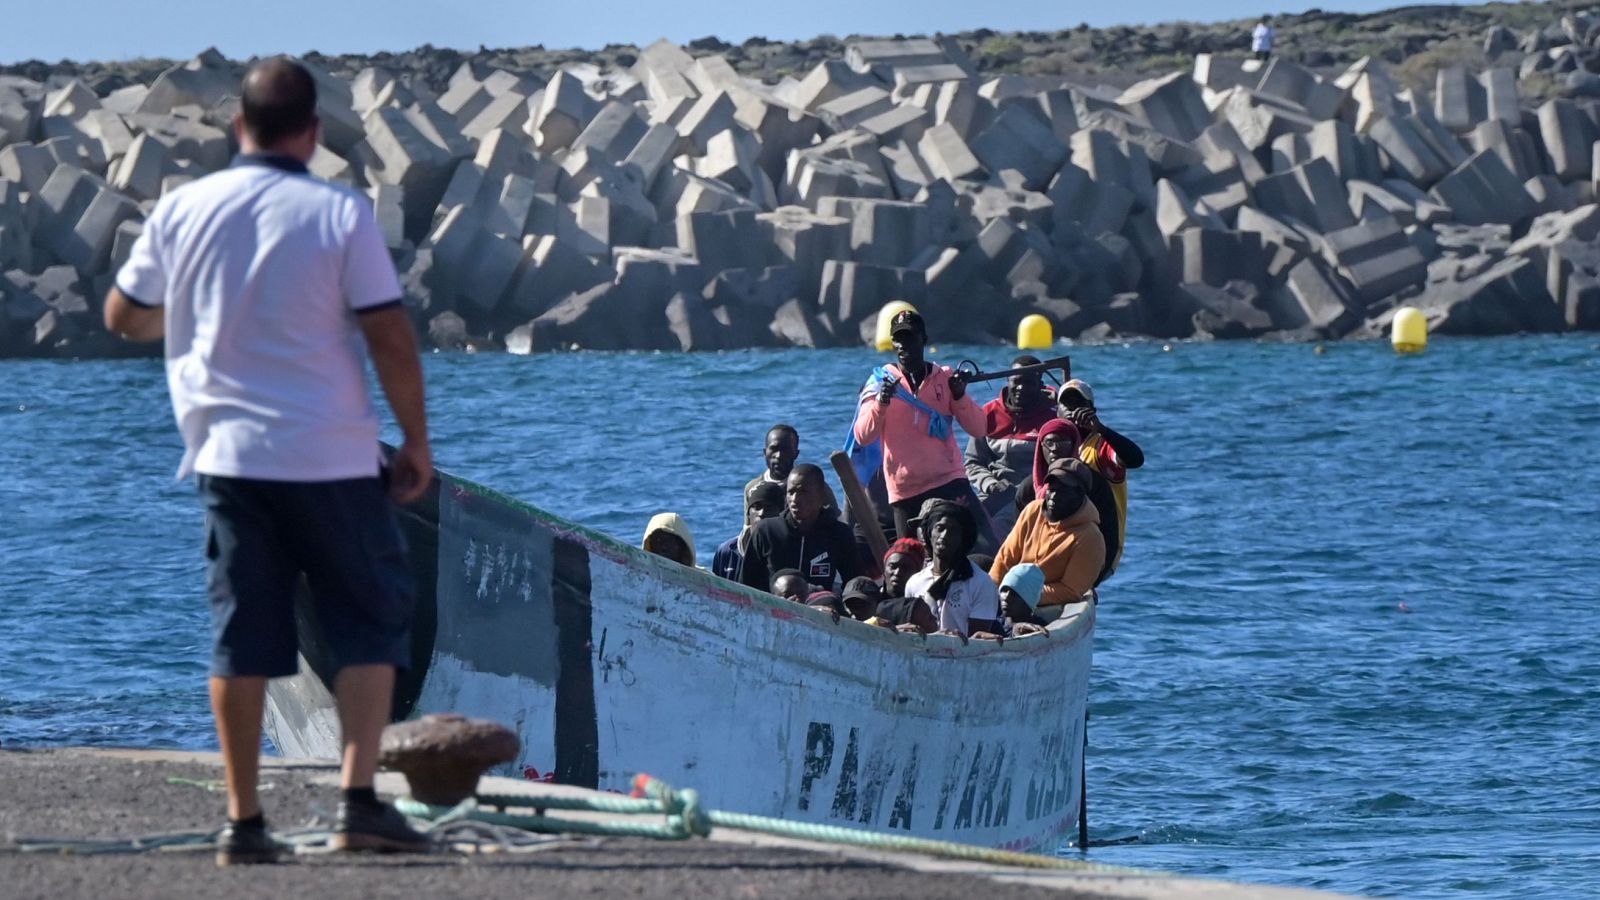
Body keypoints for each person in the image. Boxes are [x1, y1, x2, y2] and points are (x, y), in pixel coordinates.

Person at [102, 59, 433, 863]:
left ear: (235, 126)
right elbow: (388, 335)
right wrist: (417, 440)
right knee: (368, 619)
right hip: (332, 457)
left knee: (242, 634)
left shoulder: (185, 209)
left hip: (229, 458)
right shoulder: (339, 213)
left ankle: (243, 821)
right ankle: (359, 804)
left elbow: (123, 315)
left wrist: (188, 316)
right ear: (312, 133)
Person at [848, 309, 997, 553]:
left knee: (987, 548)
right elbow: (863, 436)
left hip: (949, 481)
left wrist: (959, 397)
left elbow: (979, 428)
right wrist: (881, 404)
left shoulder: (946, 378)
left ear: (923, 339)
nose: (904, 345)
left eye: (910, 338)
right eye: (899, 339)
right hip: (905, 492)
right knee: (912, 561)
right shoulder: (878, 383)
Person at [990, 459, 1106, 614]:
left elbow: (1070, 591)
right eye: (1052, 488)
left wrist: (1021, 594)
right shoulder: (1032, 510)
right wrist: (990, 593)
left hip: (1047, 609)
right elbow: (1005, 560)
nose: (1054, 496)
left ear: (1080, 494)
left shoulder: (1090, 537)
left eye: (1064, 491)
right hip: (1010, 597)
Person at [965, 355, 1058, 537]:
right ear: (1008, 381)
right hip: (995, 491)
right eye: (1016, 381)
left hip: (1032, 495)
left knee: (999, 526)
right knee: (963, 521)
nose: (1021, 388)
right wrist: (991, 484)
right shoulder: (988, 413)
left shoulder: (1053, 418)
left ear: (1040, 384)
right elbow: (973, 462)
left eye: (1029, 383)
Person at [1057, 379, 1142, 577]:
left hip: (1102, 546)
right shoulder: (1054, 444)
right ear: (1057, 410)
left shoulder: (1101, 447)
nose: (1072, 410)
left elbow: (1135, 459)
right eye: (1067, 404)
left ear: (1091, 409)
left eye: (1079, 404)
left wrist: (1101, 429)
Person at [740, 464, 863, 595]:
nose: (795, 499)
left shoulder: (839, 534)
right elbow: (746, 586)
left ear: (821, 495)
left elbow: (854, 584)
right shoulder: (766, 531)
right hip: (773, 610)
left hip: (819, 610)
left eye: (803, 492)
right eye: (790, 492)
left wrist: (833, 605)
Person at [904, 499, 1002, 638]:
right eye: (940, 528)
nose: (944, 536)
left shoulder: (981, 583)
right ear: (929, 532)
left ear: (963, 538)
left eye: (953, 531)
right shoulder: (914, 583)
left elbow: (977, 642)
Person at [745, 424, 838, 518]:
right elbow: (748, 527)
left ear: (796, 453)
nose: (779, 455)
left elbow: (837, 520)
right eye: (774, 449)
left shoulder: (813, 486)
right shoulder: (753, 488)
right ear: (765, 452)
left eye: (786, 450)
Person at [712, 482, 783, 581]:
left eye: (769, 507)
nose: (761, 513)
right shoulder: (727, 551)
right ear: (748, 513)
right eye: (757, 507)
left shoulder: (788, 550)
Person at [871, 538, 938, 632]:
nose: (897, 572)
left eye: (905, 568)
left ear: (917, 574)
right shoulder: (870, 598)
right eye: (892, 566)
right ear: (884, 569)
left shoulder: (922, 608)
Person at [998, 563, 1050, 635]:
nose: (1006, 597)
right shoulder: (993, 624)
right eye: (1004, 590)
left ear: (1029, 600)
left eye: (1014, 593)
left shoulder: (1043, 628)